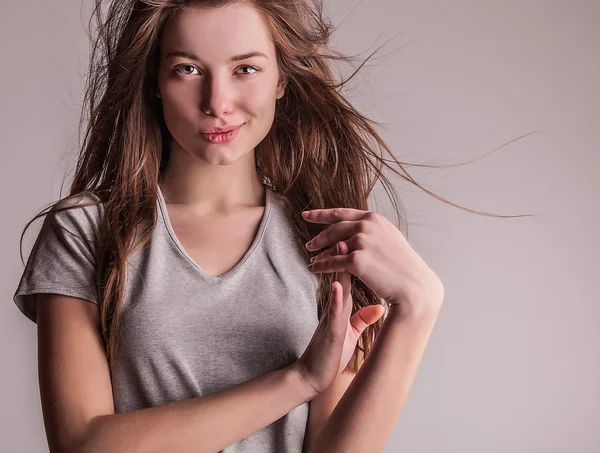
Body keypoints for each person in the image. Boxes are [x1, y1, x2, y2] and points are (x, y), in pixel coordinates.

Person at [13, 1, 445, 452]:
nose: (217, 103)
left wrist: (417, 309)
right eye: (187, 69)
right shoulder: (85, 230)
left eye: (245, 69)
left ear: (281, 78)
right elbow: (82, 445)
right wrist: (297, 382)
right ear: (155, 81)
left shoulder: (323, 240)